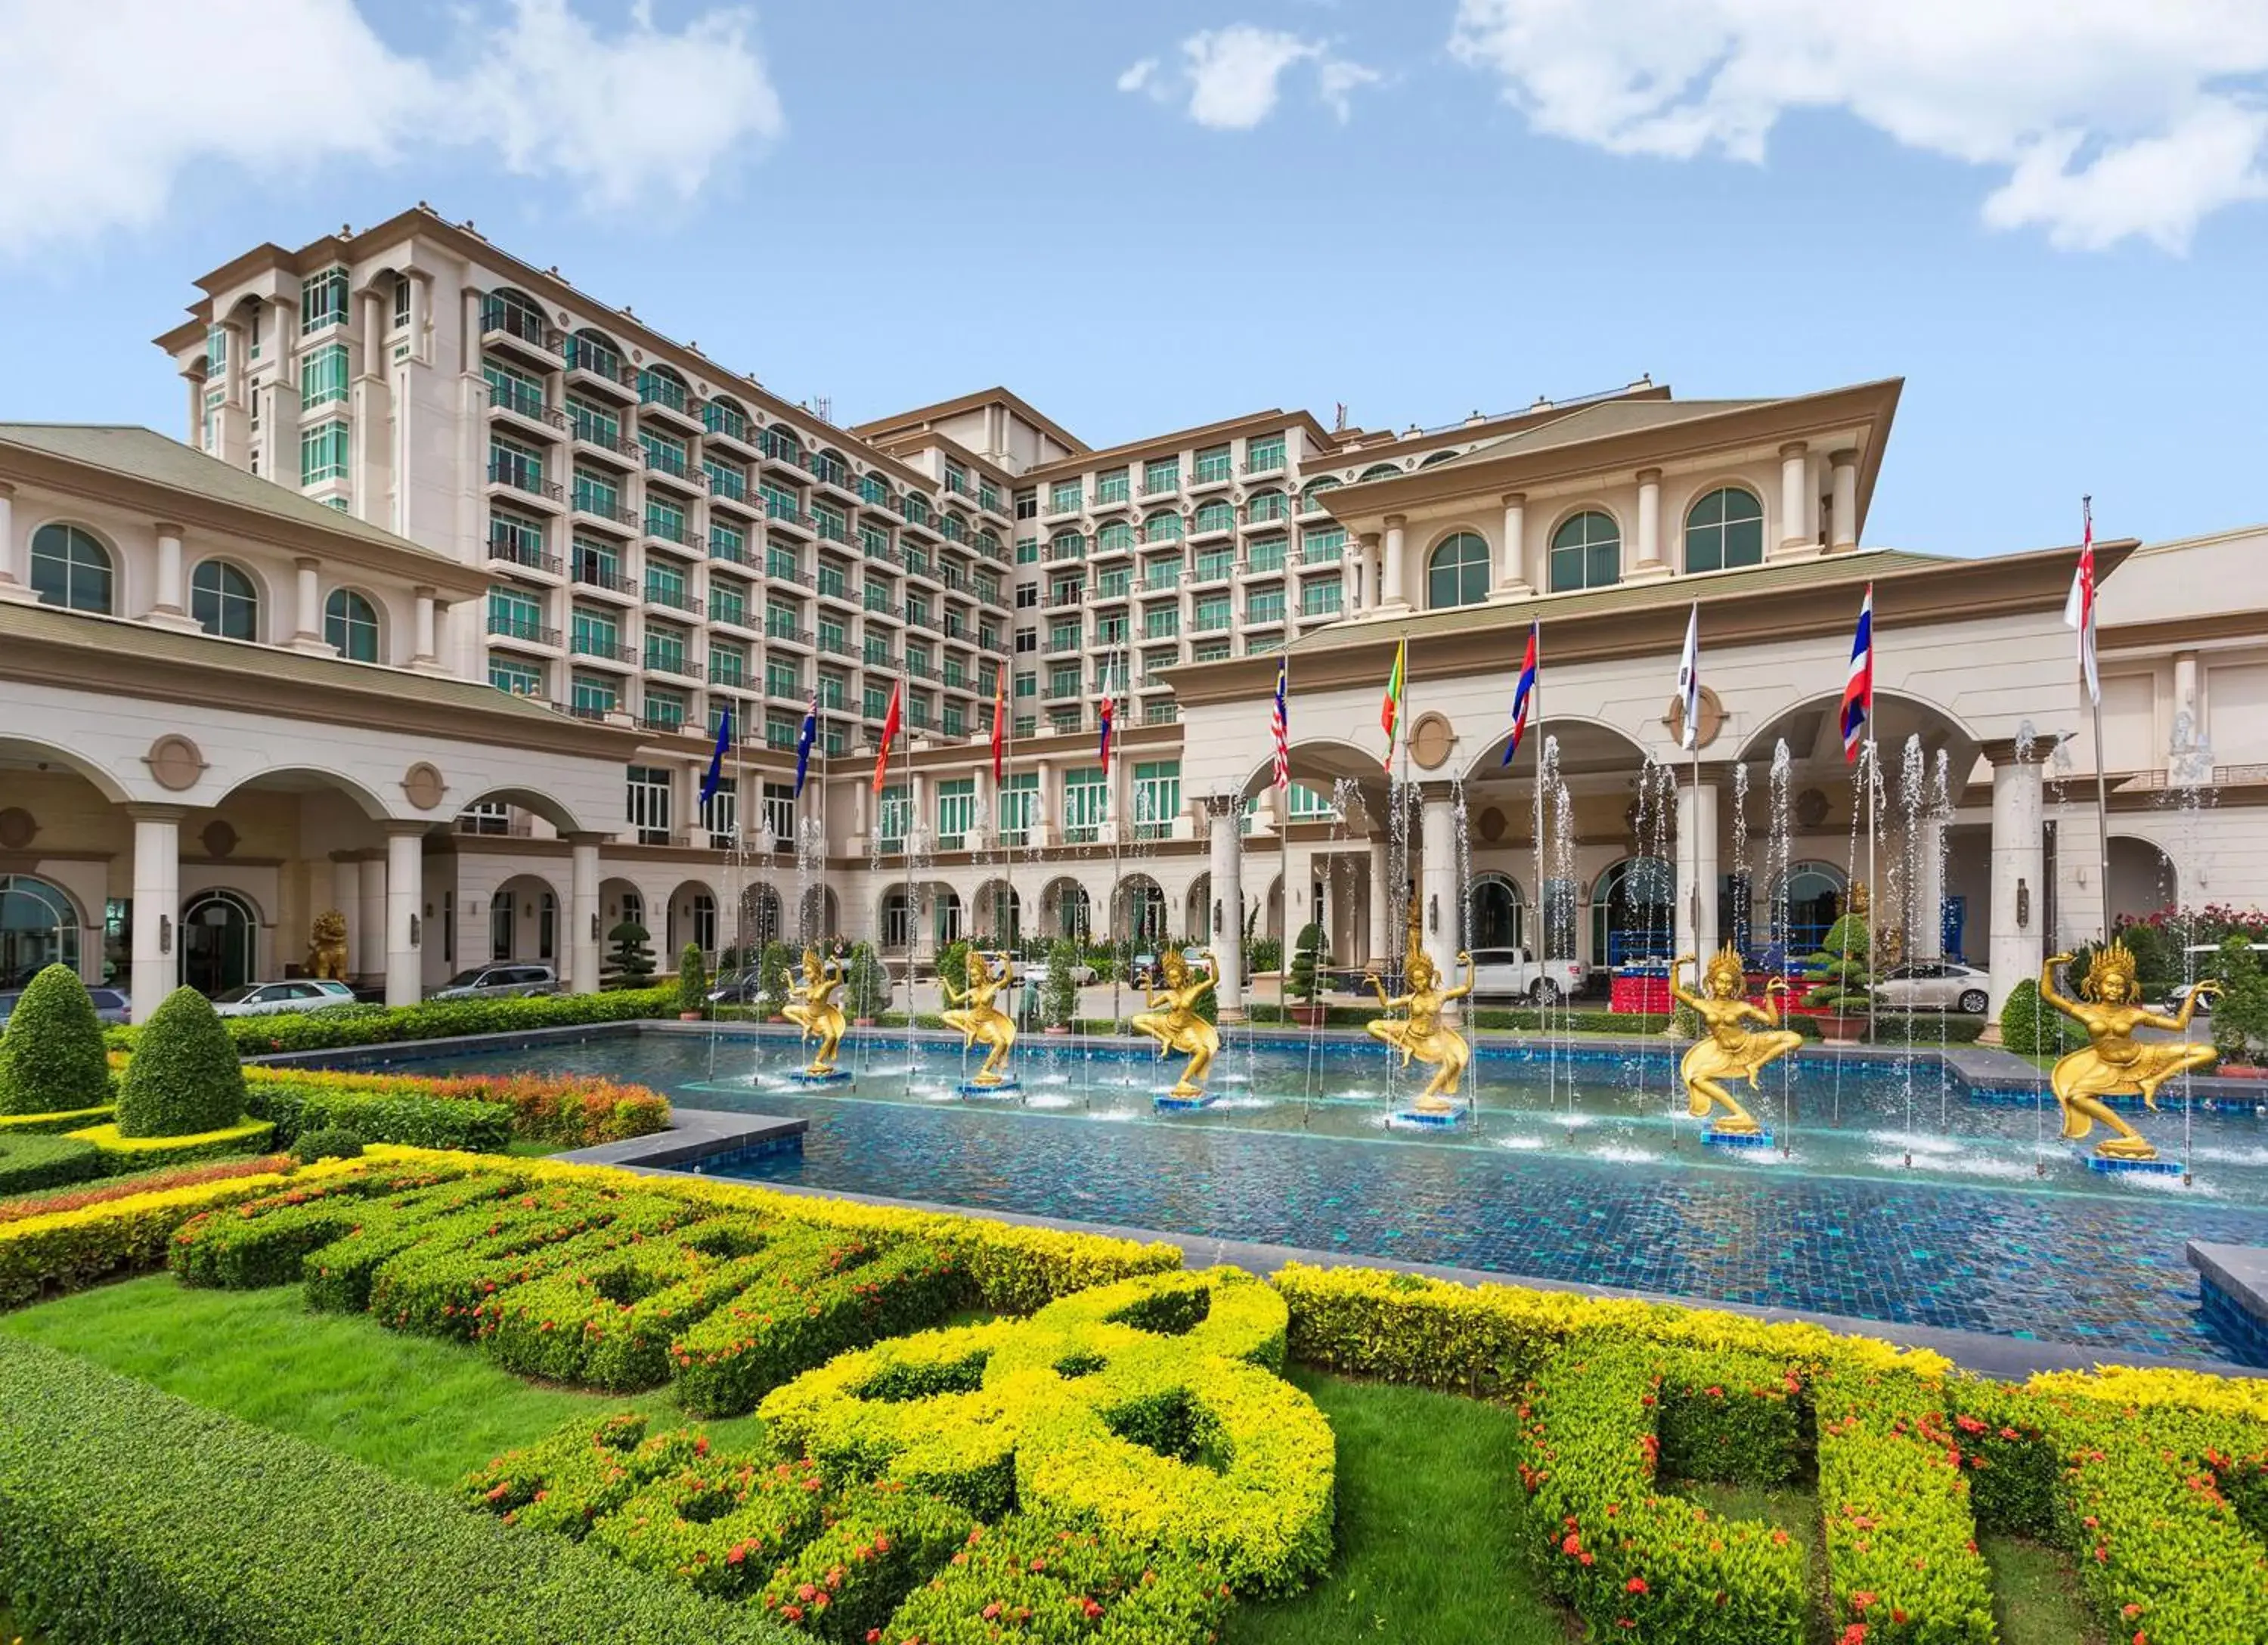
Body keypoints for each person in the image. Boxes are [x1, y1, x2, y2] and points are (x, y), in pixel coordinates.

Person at [2040, 942, 2220, 1160]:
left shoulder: (2133, 1014)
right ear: (2097, 986)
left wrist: (2192, 997)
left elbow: (2179, 1025)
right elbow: (2049, 995)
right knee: (2077, 1096)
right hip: (2109, 1067)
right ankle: (2131, 1136)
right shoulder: (2083, 1011)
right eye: (2110, 985)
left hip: (2144, 1057)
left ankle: (2153, 1081)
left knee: (2207, 1052)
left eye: (2120, 986)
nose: (2115, 990)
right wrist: (2049, 966)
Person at [1669, 946, 1801, 1134]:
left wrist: (1769, 996)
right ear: (1712, 982)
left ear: (1734, 986)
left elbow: (1772, 1021)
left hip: (1750, 1045)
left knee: (1794, 1039)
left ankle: (1755, 1065)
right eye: (1720, 982)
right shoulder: (1704, 1005)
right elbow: (1676, 991)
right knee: (1698, 1079)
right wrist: (1675, 967)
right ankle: (1740, 1114)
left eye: (1729, 983)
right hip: (1725, 1055)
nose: (1724, 987)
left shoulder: (1741, 1006)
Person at [1363, 950, 1474, 1112]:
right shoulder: (1411, 998)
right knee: (1372, 1026)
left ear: (1429, 978)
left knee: (1453, 1063)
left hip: (1430, 1038)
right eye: (1415, 980)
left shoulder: (1441, 996)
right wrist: (1378, 985)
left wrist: (1471, 965)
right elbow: (1386, 1004)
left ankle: (1427, 1095)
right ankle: (1403, 1047)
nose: (1418, 983)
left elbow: (1467, 988)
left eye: (1421, 979)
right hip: (1408, 1033)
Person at [1130, 949, 1221, 1098]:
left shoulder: (1194, 991)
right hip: (1166, 1024)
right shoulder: (1169, 994)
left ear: (1183, 976)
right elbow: (1151, 1005)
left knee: (1203, 1051)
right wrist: (1148, 985)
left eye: (1176, 977)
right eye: (1170, 978)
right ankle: (1164, 1039)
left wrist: (1213, 959)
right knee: (1136, 1021)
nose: (1173, 982)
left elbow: (1214, 980)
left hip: (1184, 1030)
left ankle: (1183, 1081)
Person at [941, 949, 1017, 1086]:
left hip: (986, 1023)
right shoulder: (972, 991)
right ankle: (969, 1032)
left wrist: (1006, 960)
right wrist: (946, 983)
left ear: (983, 974)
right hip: (971, 1018)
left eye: (975, 976)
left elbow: (1009, 978)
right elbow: (955, 1000)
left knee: (1001, 1043)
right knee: (945, 1016)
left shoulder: (994, 987)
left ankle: (985, 1070)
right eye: (971, 976)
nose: (973, 979)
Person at [780, 946, 847, 1077]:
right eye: (805, 973)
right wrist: (789, 978)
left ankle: (818, 1061)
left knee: (831, 1036)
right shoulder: (808, 988)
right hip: (807, 1014)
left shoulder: (825, 986)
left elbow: (838, 981)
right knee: (785, 1010)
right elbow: (794, 992)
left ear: (817, 972)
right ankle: (805, 1026)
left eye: (809, 973)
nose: (806, 976)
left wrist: (838, 967)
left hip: (821, 1017)